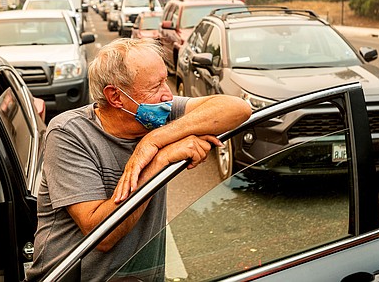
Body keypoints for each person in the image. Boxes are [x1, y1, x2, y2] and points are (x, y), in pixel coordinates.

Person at [24, 38, 251, 282]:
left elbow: (238, 108)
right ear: (116, 96)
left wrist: (154, 140)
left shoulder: (159, 114)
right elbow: (100, 235)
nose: (168, 94)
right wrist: (160, 160)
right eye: (156, 86)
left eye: (166, 80)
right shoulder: (70, 133)